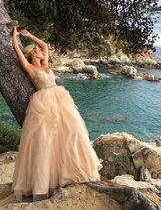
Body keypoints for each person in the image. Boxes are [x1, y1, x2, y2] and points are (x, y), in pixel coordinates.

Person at [11, 25, 104, 202]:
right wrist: (14, 35)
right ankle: (48, 181)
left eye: (39, 50)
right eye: (36, 50)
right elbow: (17, 49)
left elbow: (45, 45)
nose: (40, 51)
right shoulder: (31, 68)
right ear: (32, 55)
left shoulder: (45, 64)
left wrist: (30, 35)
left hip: (60, 100)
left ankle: (75, 171)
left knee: (73, 133)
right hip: (43, 105)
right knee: (47, 141)